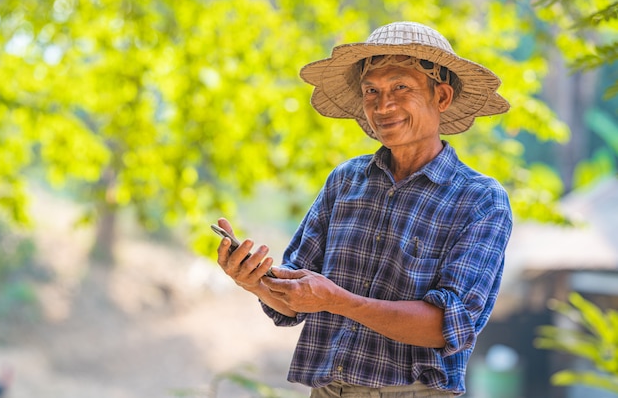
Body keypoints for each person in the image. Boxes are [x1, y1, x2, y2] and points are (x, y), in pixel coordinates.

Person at [216, 21, 513, 397]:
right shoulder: (345, 181)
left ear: (441, 97)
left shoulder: (480, 199)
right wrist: (253, 280)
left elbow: (444, 327)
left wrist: (337, 300)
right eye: (371, 90)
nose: (382, 105)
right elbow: (296, 298)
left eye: (400, 88)